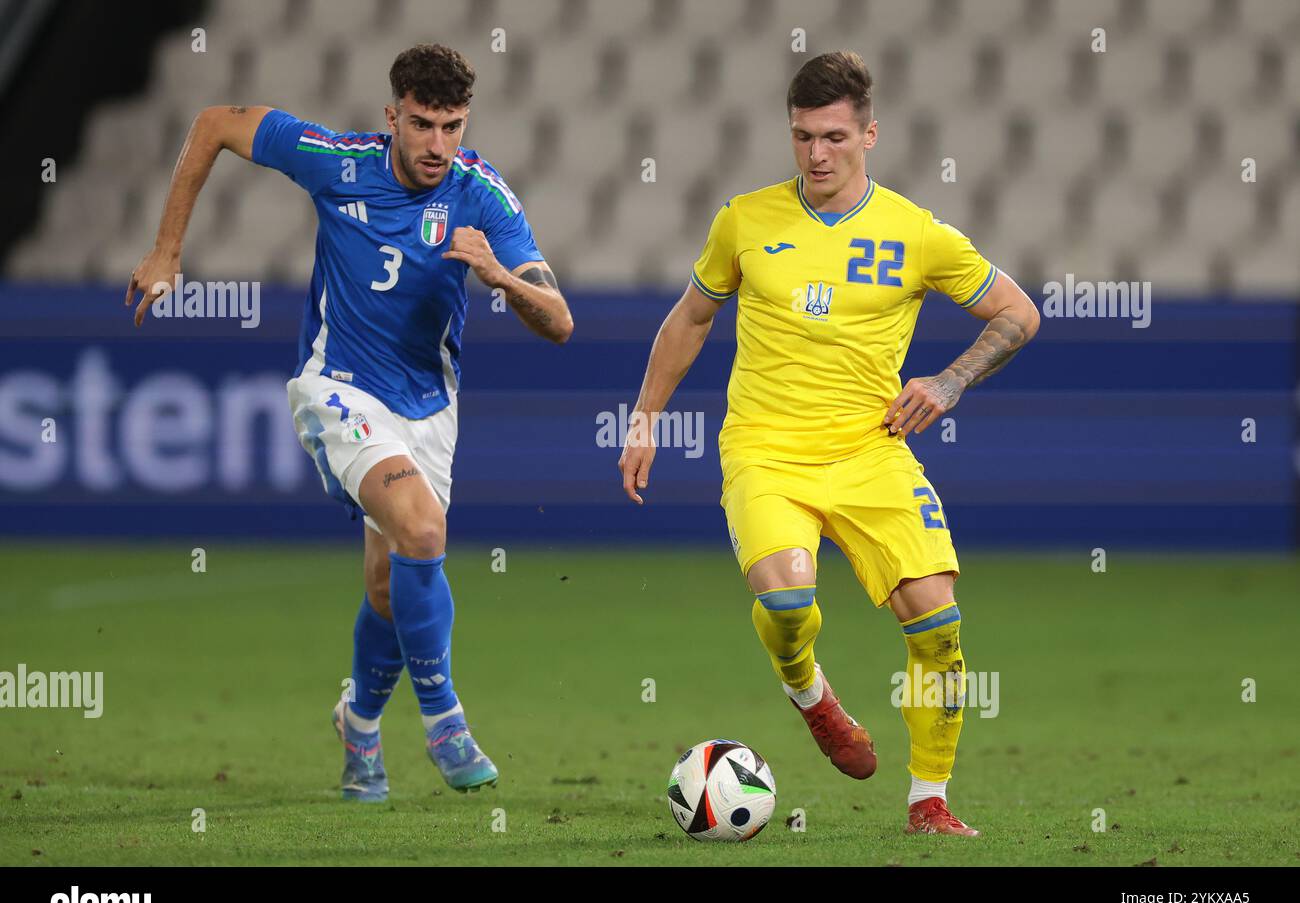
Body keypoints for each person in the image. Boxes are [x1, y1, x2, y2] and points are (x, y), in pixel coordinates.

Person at [126, 43, 572, 801]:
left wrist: (497, 275)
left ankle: (359, 727)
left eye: (453, 127)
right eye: (423, 124)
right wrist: (168, 251)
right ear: (391, 115)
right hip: (337, 389)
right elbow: (212, 125)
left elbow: (559, 322)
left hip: (428, 406)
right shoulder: (334, 161)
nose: (438, 145)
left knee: (388, 587)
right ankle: (445, 721)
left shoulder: (481, 195)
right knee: (424, 532)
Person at [619, 51, 1039, 836]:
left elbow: (1018, 313)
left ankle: (929, 802)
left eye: (835, 138)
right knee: (784, 599)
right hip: (766, 450)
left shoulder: (917, 234)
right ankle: (810, 693)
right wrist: (643, 418)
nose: (817, 154)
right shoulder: (745, 219)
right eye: (803, 137)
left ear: (869, 135)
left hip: (870, 451)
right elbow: (691, 319)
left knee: (939, 626)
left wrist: (947, 383)